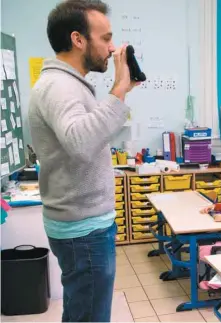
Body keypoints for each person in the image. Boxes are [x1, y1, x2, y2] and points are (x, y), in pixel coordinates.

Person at [28, 0, 137, 321]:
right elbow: (82, 142)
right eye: (105, 38)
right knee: (89, 315)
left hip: (86, 225)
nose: (112, 47)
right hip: (83, 230)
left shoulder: (68, 84)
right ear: (78, 39)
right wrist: (118, 89)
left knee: (84, 311)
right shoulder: (59, 86)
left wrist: (122, 90)